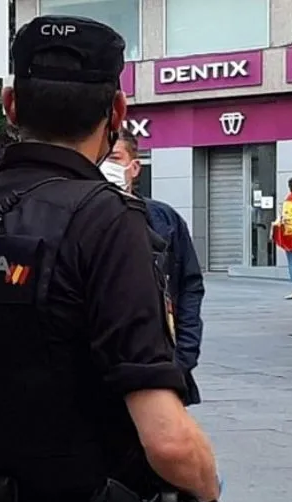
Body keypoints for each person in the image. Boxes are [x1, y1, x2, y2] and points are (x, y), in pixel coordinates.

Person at [0, 15, 228, 502]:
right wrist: (209, 494)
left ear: (11, 105)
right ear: (117, 111)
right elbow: (168, 440)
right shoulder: (108, 221)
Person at [103, 127, 206, 406]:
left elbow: (190, 286)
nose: (105, 167)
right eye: (99, 159)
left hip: (162, 364)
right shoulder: (78, 218)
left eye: (114, 158)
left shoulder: (164, 219)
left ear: (134, 167)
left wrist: (184, 356)